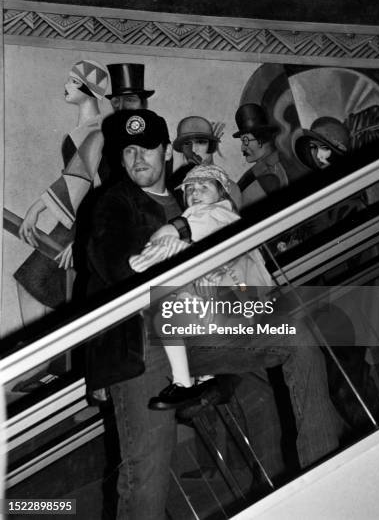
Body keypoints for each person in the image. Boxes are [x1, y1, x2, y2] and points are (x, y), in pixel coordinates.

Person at [85, 109, 344, 519]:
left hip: (206, 328)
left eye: (147, 148)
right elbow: (114, 268)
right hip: (143, 346)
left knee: (296, 341)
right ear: (119, 157)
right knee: (146, 473)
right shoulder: (112, 203)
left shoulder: (192, 193)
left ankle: (322, 477)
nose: (138, 159)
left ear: (166, 150)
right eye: (128, 150)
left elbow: (231, 229)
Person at [128, 164, 273, 410]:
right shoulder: (216, 222)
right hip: (243, 307)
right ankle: (206, 380)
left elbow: (175, 231)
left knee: (163, 304)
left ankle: (187, 382)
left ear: (223, 195)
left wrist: (153, 250)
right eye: (189, 190)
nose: (194, 193)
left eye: (203, 187)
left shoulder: (217, 213)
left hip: (244, 309)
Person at [15, 59, 110, 324]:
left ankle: (36, 357)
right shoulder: (85, 129)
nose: (66, 85)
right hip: (75, 219)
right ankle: (39, 358)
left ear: (87, 87)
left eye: (72, 80)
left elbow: (83, 182)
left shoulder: (98, 131)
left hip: (88, 223)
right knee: (44, 287)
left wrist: (84, 238)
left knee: (33, 281)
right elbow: (72, 178)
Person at [233, 103, 307, 209]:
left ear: (261, 139)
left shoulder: (270, 177)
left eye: (245, 141)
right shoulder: (260, 169)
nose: (242, 148)